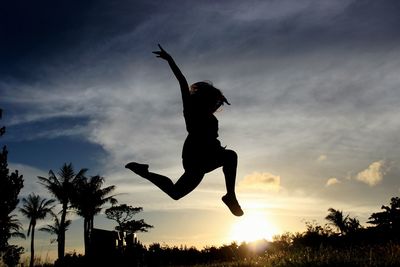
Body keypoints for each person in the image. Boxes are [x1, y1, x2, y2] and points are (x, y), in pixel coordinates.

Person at [126, 44, 243, 216]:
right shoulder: (190, 109)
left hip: (208, 157)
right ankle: (230, 195)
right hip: (195, 156)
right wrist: (170, 60)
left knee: (175, 193)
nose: (215, 106)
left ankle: (145, 172)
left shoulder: (210, 115)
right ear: (203, 99)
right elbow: (182, 81)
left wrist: (220, 99)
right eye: (212, 101)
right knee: (230, 156)